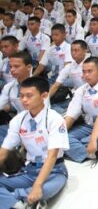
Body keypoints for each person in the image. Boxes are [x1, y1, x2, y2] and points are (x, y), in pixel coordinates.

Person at [0, 77, 69, 208]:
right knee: (30, 192)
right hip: (30, 170)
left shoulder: (55, 119)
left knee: (43, 190)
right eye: (21, 96)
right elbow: (4, 151)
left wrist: (37, 186)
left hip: (54, 172)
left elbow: (52, 156)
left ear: (44, 95)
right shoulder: (18, 120)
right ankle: (19, 203)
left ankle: (14, 200)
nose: (24, 100)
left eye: (29, 96)